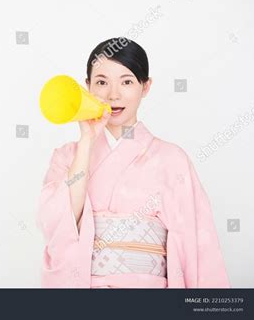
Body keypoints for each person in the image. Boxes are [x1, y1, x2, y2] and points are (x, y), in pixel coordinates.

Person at [36, 37, 230, 288]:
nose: (113, 95)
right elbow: (56, 225)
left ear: (145, 86)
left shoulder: (172, 159)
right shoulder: (66, 156)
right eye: (102, 82)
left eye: (126, 82)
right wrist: (86, 142)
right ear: (87, 87)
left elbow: (200, 247)